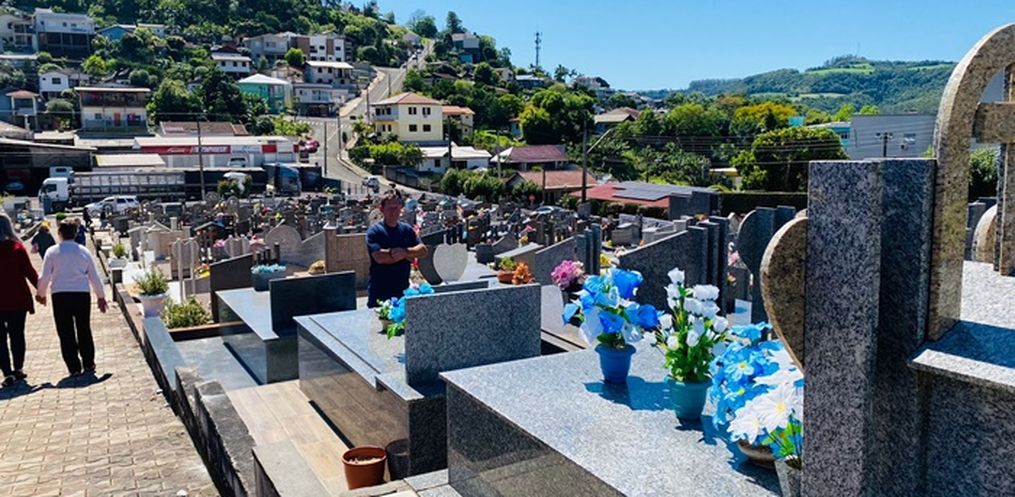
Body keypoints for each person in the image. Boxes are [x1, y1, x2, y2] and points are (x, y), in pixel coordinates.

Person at [36, 220, 108, 377]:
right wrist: (101, 296)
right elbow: (94, 276)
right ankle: (88, 363)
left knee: (65, 331)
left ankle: (73, 367)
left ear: (59, 233)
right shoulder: (83, 251)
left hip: (60, 295)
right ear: (75, 233)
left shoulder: (52, 252)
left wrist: (41, 293)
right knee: (84, 328)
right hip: (81, 293)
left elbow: (45, 276)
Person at [366, 191, 427, 307]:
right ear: (382, 209)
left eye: (396, 208)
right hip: (379, 294)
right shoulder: (375, 231)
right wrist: (407, 256)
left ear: (400, 209)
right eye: (390, 208)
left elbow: (423, 250)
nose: (393, 212)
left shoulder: (406, 230)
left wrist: (405, 253)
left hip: (402, 292)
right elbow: (379, 257)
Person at [0, 213, 38, 387]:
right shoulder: (17, 248)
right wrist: (41, 290)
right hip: (17, 299)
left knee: (0, 339)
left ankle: (7, 372)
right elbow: (29, 271)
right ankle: (18, 368)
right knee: (17, 335)